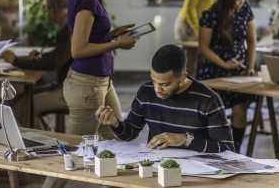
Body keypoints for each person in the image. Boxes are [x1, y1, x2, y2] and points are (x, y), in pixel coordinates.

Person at [64, 0, 137, 139]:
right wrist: (116, 44)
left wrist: (113, 34)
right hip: (87, 86)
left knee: (115, 140)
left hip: (102, 82)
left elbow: (92, 38)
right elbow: (78, 50)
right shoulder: (86, 0)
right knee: (78, 151)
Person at [96, 44, 234, 153]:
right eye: (154, 81)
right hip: (158, 166)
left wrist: (185, 140)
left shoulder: (208, 100)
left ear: (183, 76)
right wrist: (114, 122)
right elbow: (129, 134)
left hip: (198, 171)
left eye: (165, 84)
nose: (157, 89)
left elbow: (227, 149)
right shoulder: (146, 92)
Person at [196, 0, 256, 153]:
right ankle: (215, 146)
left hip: (238, 70)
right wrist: (224, 64)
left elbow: (252, 42)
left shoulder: (245, 10)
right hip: (214, 70)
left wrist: (250, 67)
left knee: (240, 107)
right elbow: (203, 48)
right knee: (214, 110)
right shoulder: (211, 14)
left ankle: (235, 149)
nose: (241, 1)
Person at [2, 0, 71, 129]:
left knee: (23, 107)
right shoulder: (69, 25)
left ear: (54, 9)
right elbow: (60, 54)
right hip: (65, 86)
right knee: (22, 100)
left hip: (67, 92)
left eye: (47, 9)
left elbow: (54, 62)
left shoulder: (67, 29)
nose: (46, 13)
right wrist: (41, 56)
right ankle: (46, 136)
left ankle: (44, 142)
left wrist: (15, 60)